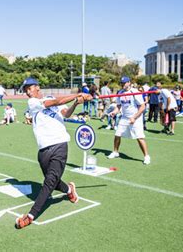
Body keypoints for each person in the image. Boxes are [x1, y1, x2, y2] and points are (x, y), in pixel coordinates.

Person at [14, 77, 92, 229]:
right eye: (25, 90)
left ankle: (30, 216)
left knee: (49, 182)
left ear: (37, 87)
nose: (27, 92)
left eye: (28, 88)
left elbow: (66, 113)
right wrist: (78, 95)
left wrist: (76, 103)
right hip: (43, 149)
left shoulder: (48, 98)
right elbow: (56, 102)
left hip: (60, 144)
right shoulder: (33, 102)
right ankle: (69, 190)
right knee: (54, 182)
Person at [107, 76, 151, 165]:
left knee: (139, 137)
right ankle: (115, 152)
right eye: (122, 83)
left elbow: (142, 107)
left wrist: (134, 117)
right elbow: (119, 106)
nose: (123, 85)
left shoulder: (135, 92)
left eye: (125, 83)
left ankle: (146, 156)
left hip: (136, 118)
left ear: (129, 82)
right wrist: (114, 112)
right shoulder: (120, 93)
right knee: (117, 135)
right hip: (124, 118)